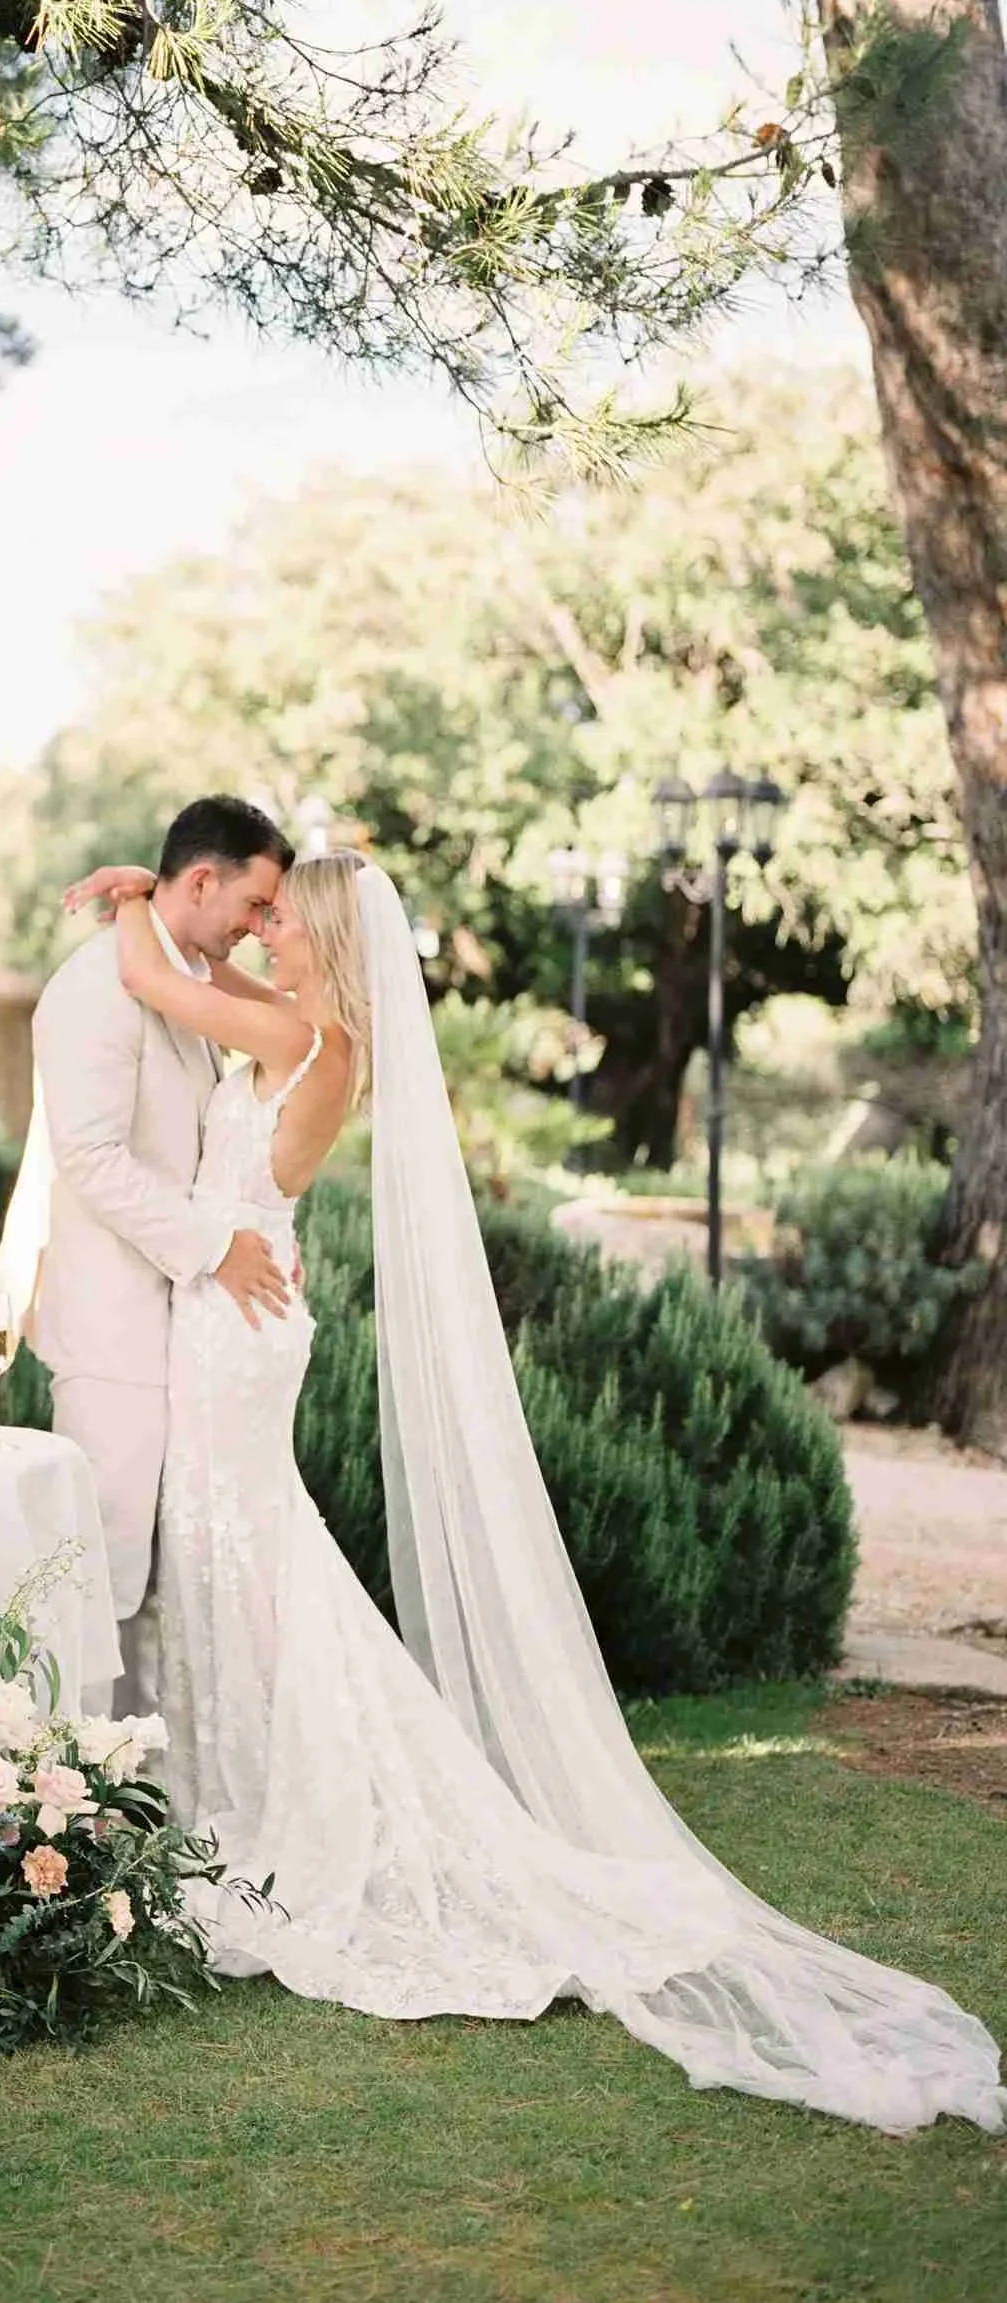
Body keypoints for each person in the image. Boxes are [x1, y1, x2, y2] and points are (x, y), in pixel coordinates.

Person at [50, 845, 1005, 2135]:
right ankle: (237, 1793)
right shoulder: (326, 1041)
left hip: (234, 1328)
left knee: (246, 1557)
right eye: (258, 908)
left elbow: (149, 980)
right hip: (237, 1313)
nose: (265, 929)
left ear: (326, 932)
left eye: (282, 915)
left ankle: (274, 1807)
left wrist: (132, 898)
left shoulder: (295, 1031)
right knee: (249, 1560)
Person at [0, 795, 295, 1710]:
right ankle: (66, 1792)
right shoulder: (94, 988)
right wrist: (218, 1246)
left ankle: (142, 1789)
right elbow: (89, 1156)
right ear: (201, 879)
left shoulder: (179, 977)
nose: (256, 928)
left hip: (185, 1332)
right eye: (252, 906)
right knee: (103, 1571)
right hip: (114, 1329)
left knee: (161, 1578)